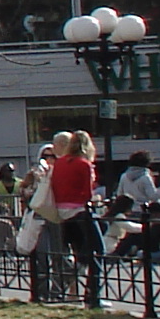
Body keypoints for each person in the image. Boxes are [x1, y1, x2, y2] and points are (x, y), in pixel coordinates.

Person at [47, 130, 102, 308]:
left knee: (79, 253)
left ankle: (70, 287)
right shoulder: (83, 164)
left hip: (63, 215)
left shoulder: (60, 163)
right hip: (79, 212)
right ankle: (93, 295)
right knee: (97, 251)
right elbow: (87, 193)